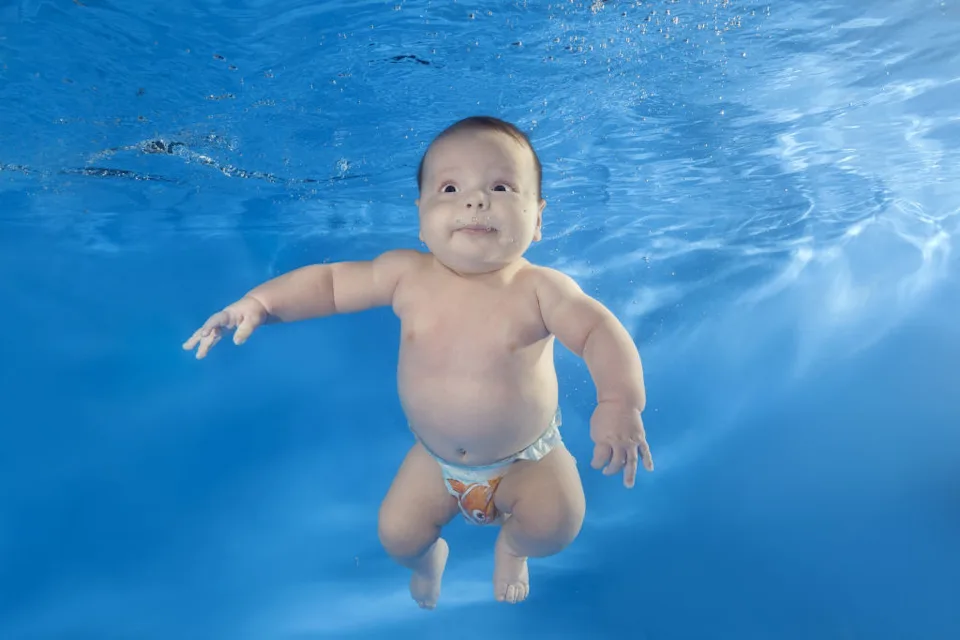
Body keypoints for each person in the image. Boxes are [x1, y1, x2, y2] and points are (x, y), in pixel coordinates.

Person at [182, 116, 653, 608]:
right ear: (421, 218)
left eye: (500, 187)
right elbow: (330, 285)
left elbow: (599, 332)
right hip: (436, 461)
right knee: (397, 536)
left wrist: (619, 402)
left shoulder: (540, 289)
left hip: (526, 460)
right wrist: (259, 304)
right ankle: (428, 561)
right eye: (450, 188)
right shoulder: (405, 275)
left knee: (558, 526)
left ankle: (514, 548)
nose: (475, 201)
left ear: (537, 218)